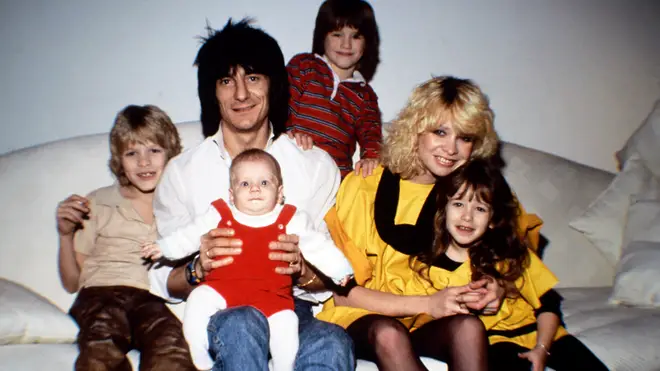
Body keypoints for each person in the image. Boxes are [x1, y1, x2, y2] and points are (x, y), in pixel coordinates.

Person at [148, 19, 355, 371]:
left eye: (253, 78)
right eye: (227, 81)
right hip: (222, 308)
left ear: (272, 85)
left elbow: (332, 273)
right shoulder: (182, 174)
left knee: (333, 343)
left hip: (289, 307)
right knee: (241, 323)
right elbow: (160, 277)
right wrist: (199, 268)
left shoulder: (315, 166)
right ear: (212, 92)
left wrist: (302, 269)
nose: (241, 94)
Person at [318, 76, 538, 371]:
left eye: (465, 138)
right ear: (415, 130)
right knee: (388, 334)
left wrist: (497, 284)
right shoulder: (363, 187)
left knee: (468, 328)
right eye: (440, 131)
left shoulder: (477, 192)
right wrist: (427, 303)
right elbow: (344, 295)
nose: (451, 149)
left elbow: (518, 256)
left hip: (431, 321)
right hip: (367, 315)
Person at [142, 149, 353, 371]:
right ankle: (198, 353)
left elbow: (319, 246)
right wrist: (163, 247)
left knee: (288, 332)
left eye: (264, 182)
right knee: (198, 301)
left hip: (275, 301)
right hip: (222, 294)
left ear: (280, 193)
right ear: (231, 195)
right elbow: (188, 235)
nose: (254, 188)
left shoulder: (291, 219)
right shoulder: (220, 214)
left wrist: (339, 269)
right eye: (245, 184)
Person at [411, 159, 609, 371]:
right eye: (458, 204)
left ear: (493, 219)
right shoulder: (426, 265)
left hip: (540, 334)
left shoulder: (510, 256)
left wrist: (542, 347)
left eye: (480, 208)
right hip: (495, 343)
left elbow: (549, 305)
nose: (467, 217)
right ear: (442, 209)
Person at [55, 105, 196, 371]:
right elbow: (72, 283)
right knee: (100, 347)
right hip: (100, 295)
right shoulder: (97, 202)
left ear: (170, 155)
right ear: (120, 160)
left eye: (154, 150)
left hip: (149, 299)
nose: (144, 162)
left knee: (172, 344)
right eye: (132, 153)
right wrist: (65, 235)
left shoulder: (179, 208)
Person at [286, 0, 382, 178]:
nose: (346, 44)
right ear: (323, 36)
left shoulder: (365, 96)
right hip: (294, 158)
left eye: (355, 36)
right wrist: (290, 133)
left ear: (367, 43)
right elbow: (282, 103)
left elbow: (371, 134)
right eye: (337, 34)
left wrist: (371, 157)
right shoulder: (304, 66)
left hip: (334, 176)